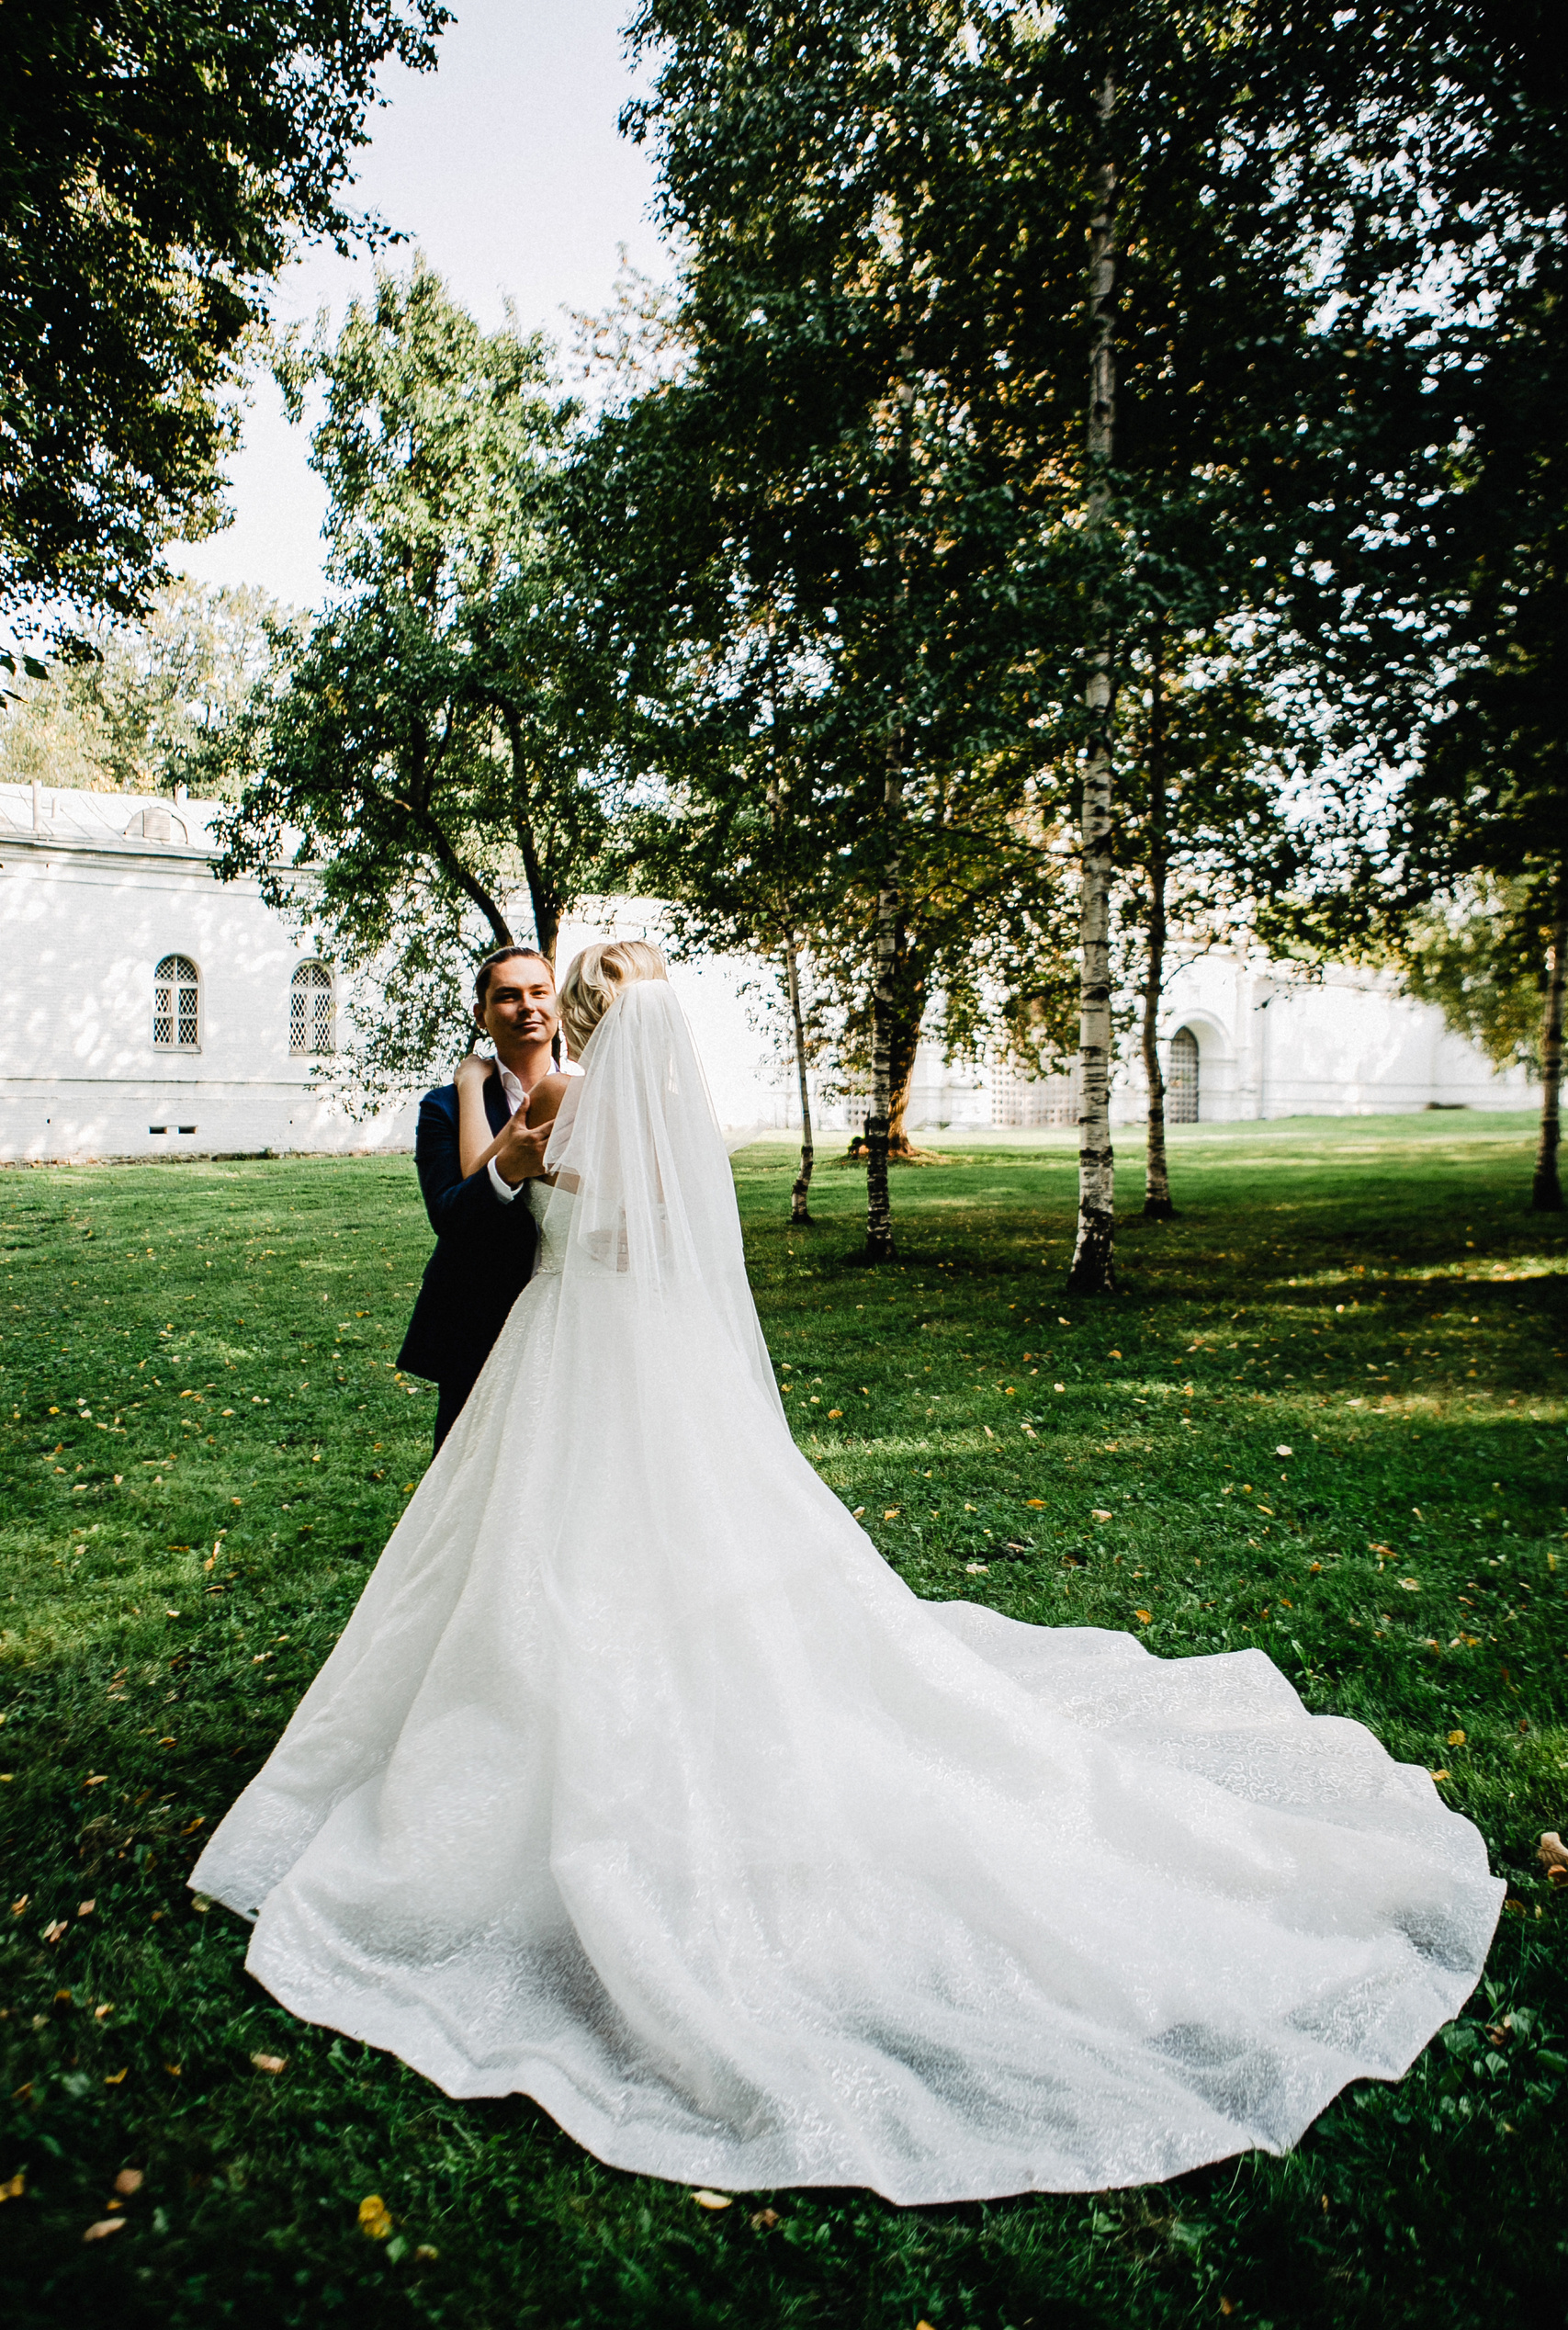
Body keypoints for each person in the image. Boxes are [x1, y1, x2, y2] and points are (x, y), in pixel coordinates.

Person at [193, 941, 1502, 2207]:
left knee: (572, 1566)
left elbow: (565, 1206)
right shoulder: (616, 1105)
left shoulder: (574, 1106)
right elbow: (525, 1208)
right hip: (602, 1357)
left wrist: (538, 1153)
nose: (540, 1014)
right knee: (600, 1564)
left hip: (577, 1355)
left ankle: (551, 1745)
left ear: (580, 1017)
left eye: (556, 998)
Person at [397, 945, 557, 1450]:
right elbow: (447, 1211)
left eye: (539, 992)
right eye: (507, 996)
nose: (526, 1006)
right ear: (482, 1015)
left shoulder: (594, 1089)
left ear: (560, 1004)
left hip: (571, 1313)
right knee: (466, 1464)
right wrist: (504, 1168)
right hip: (477, 1317)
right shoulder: (444, 1105)